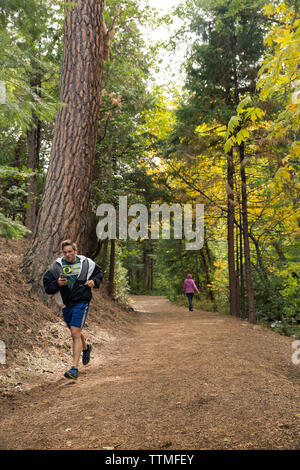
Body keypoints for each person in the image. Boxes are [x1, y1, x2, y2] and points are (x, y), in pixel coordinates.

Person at [43, 239, 102, 380]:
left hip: (81, 302)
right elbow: (47, 285)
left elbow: (98, 273)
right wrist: (57, 283)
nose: (68, 254)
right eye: (65, 252)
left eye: (70, 251)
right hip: (65, 304)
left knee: (75, 333)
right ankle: (86, 347)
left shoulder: (86, 263)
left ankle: (74, 368)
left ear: (75, 251)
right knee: (75, 331)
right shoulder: (57, 266)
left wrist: (94, 282)